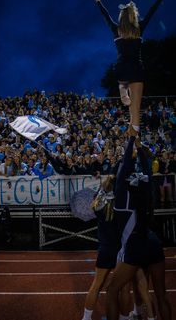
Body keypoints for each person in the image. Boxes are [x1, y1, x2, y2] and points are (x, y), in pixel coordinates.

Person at [105, 135, 172, 320]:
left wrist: (131, 138)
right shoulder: (147, 187)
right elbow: (147, 168)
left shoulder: (120, 196)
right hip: (153, 241)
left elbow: (125, 165)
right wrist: (139, 147)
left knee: (112, 291)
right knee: (161, 296)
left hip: (135, 244)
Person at [93, 0, 166, 134]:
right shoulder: (139, 29)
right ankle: (135, 137)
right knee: (136, 107)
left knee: (127, 92)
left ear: (122, 17)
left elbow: (105, 15)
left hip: (122, 68)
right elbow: (151, 13)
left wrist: (98, 1)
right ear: (134, 16)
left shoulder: (117, 29)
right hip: (137, 68)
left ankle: (123, 89)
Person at [81, 175, 128, 320]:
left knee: (96, 285)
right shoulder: (121, 202)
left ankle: (86, 318)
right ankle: (124, 317)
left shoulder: (98, 204)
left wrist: (102, 190)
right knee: (125, 287)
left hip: (105, 248)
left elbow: (98, 198)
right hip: (121, 249)